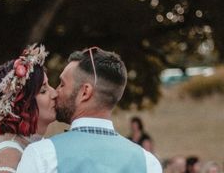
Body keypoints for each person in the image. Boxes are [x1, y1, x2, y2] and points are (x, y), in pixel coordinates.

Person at [17, 46, 162, 173]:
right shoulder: (148, 163)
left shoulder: (42, 155)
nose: (55, 92)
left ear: (84, 92)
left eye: (62, 84)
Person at [0, 44, 57, 173]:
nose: (54, 94)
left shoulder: (24, 146)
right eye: (43, 90)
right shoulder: (7, 158)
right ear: (23, 104)